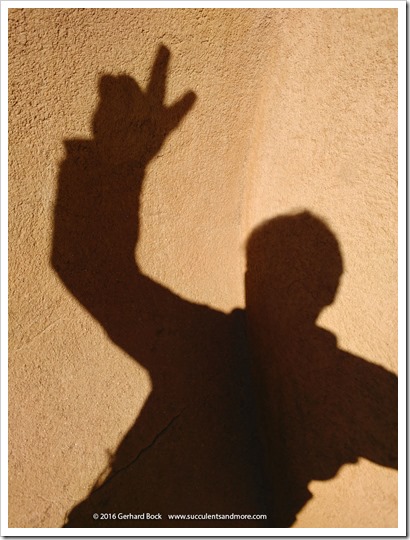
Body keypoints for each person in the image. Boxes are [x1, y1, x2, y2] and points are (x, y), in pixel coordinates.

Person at [52, 45, 397, 528]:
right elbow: (93, 270)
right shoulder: (209, 340)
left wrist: (119, 166)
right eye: (262, 270)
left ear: (326, 293)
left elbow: (94, 270)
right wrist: (119, 167)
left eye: (287, 275)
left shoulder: (344, 382)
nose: (268, 285)